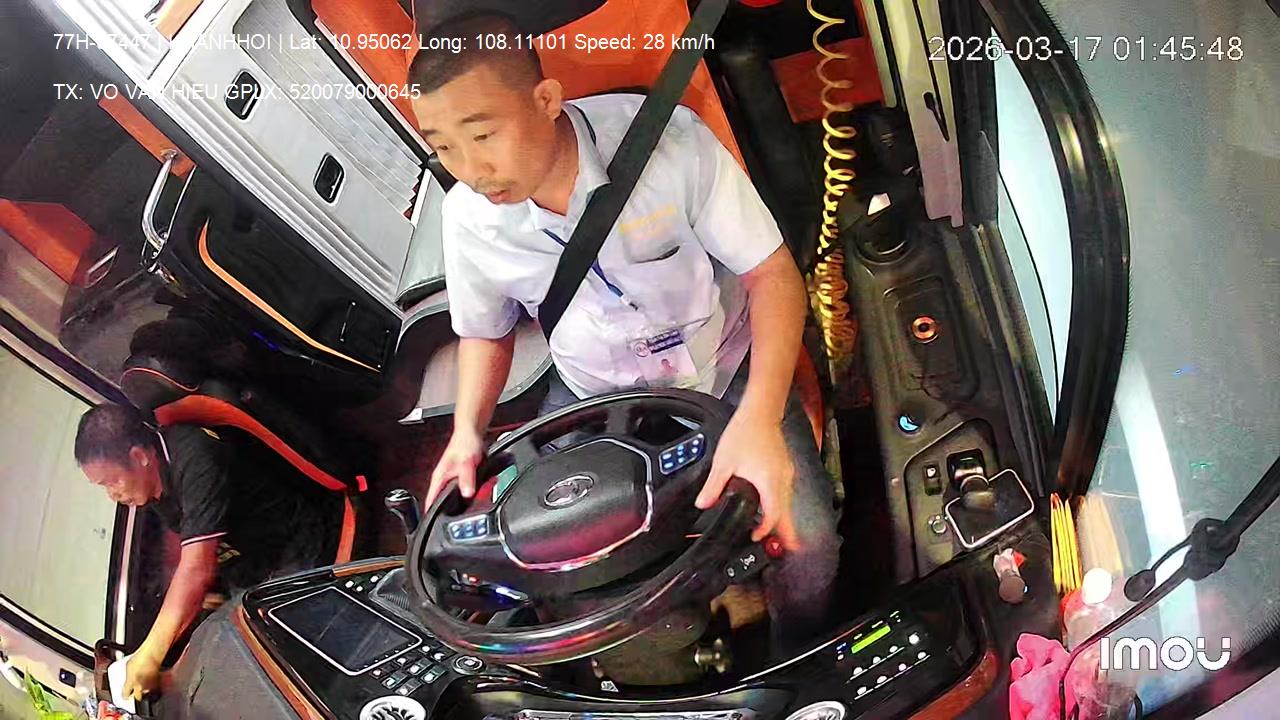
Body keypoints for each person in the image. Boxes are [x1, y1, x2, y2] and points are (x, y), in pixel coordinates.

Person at [410, 13, 840, 650]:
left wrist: (759, 418)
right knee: (558, 562)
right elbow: (486, 333)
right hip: (593, 395)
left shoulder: (670, 146)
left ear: (546, 100)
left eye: (483, 134)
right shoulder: (467, 218)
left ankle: (790, 657)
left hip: (724, 371)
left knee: (808, 548)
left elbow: (771, 274)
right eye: (444, 148)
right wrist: (468, 430)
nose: (471, 169)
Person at [74, 404, 340, 699]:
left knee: (287, 673)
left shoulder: (196, 457)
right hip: (248, 568)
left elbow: (196, 567)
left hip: (292, 547)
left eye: (112, 482)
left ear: (139, 457)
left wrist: (149, 654)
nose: (113, 495)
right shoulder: (154, 484)